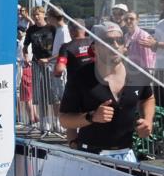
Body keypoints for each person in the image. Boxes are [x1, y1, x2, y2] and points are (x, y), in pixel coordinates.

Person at [59, 22, 155, 162]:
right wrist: (91, 117)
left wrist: (147, 120)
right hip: (91, 155)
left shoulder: (137, 72)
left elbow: (148, 98)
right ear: (94, 47)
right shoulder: (81, 77)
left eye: (120, 40)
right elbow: (64, 119)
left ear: (125, 46)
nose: (115, 45)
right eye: (108, 41)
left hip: (127, 154)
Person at [54, 23, 94, 146]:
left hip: (75, 88)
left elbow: (60, 68)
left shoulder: (67, 47)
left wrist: (56, 74)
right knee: (93, 116)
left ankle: (74, 147)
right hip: (95, 85)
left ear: (71, 32)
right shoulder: (93, 43)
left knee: (69, 119)